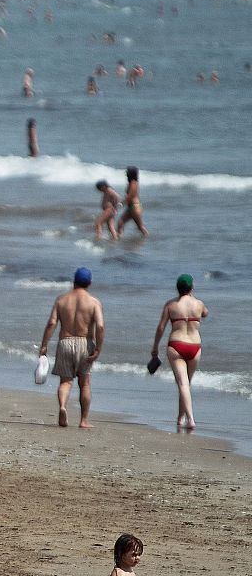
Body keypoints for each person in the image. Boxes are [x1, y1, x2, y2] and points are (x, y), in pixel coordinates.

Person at [38, 267, 105, 429]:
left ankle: (62, 406)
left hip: (65, 342)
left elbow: (52, 323)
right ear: (89, 283)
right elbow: (100, 326)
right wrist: (98, 348)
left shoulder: (61, 300)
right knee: (85, 383)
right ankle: (83, 420)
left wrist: (44, 345)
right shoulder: (94, 302)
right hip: (85, 343)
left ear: (74, 281)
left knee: (66, 382)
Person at [150, 274, 207, 433]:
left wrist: (155, 347)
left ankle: (190, 419)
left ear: (177, 288)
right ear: (192, 288)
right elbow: (205, 313)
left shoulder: (171, 305)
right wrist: (192, 297)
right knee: (186, 383)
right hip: (195, 346)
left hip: (177, 345)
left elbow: (161, 327)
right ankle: (181, 418)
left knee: (183, 384)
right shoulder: (199, 304)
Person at [117, 166, 148, 237]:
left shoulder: (133, 183)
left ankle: (147, 238)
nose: (126, 174)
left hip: (135, 207)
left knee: (140, 226)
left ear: (131, 174)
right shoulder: (131, 183)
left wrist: (121, 203)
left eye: (127, 172)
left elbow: (130, 196)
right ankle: (118, 237)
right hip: (131, 207)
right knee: (120, 223)